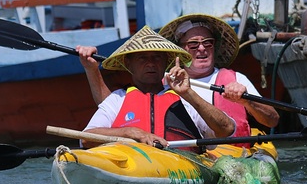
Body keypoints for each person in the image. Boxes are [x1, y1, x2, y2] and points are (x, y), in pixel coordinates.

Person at [80, 26, 235, 149]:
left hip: (180, 167)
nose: (151, 63)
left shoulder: (184, 99)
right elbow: (86, 139)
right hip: (134, 166)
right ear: (128, 64)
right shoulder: (117, 99)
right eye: (142, 58)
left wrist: (188, 93)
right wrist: (131, 133)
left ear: (166, 62)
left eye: (157, 57)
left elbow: (226, 129)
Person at [158, 13, 279, 138]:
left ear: (214, 46)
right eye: (193, 44)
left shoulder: (237, 79)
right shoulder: (164, 84)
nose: (201, 48)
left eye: (208, 42)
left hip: (232, 154)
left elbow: (272, 120)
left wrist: (248, 102)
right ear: (180, 50)